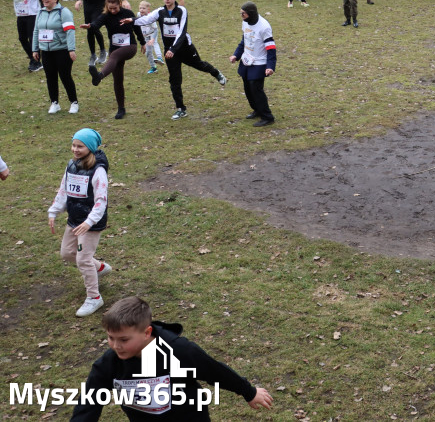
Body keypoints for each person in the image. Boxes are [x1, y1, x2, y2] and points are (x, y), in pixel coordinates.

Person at [70, 296, 273, 419]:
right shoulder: (109, 363)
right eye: (110, 338)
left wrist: (249, 391)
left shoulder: (178, 351)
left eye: (123, 339)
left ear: (147, 332)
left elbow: (214, 371)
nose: (115, 345)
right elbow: (90, 400)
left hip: (189, 418)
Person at [131, 0, 227, 120]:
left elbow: (182, 32)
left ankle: (216, 73)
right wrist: (131, 20)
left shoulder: (182, 10)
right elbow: (146, 19)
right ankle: (181, 108)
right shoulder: (160, 11)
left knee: (199, 65)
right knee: (174, 79)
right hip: (170, 52)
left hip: (184, 48)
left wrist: (173, 49)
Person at [47, 127, 112, 317]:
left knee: (83, 259)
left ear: (90, 148)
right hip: (74, 218)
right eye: (73, 145)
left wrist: (90, 222)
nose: (75, 149)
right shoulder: (72, 165)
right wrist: (54, 211)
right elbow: (63, 190)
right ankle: (98, 267)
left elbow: (101, 200)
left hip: (90, 223)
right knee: (67, 253)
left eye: (80, 146)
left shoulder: (98, 171)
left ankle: (94, 297)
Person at [82, 0, 143, 120]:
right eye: (110, 8)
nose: (113, 10)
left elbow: (137, 28)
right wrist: (90, 26)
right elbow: (96, 24)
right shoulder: (106, 16)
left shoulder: (127, 14)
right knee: (118, 79)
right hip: (115, 47)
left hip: (130, 47)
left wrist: (142, 42)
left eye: (115, 8)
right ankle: (121, 108)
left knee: (114, 56)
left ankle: (99, 76)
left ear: (120, 4)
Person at [228, 2, 277, 127]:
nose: (241, 16)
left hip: (259, 62)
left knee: (255, 88)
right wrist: (236, 55)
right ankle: (257, 109)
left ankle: (267, 116)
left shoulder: (264, 27)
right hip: (246, 59)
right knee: (247, 87)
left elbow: (271, 49)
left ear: (250, 14)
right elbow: (244, 40)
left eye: (243, 13)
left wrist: (270, 67)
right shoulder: (245, 22)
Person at [33, 0, 79, 114]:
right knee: (50, 77)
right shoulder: (40, 12)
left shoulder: (63, 12)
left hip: (62, 50)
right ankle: (54, 103)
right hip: (46, 51)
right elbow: (36, 31)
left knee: (65, 76)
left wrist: (71, 49)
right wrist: (35, 49)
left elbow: (70, 31)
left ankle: (74, 102)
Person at [1, 0, 44, 71]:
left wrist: (45, 12)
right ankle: (33, 58)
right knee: (22, 38)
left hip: (32, 15)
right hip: (20, 15)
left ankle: (36, 62)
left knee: (32, 38)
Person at [137, 0, 163, 73]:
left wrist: (152, 39)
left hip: (153, 33)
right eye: (140, 8)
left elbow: (155, 30)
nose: (141, 10)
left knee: (154, 43)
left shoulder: (151, 17)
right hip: (145, 35)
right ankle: (153, 67)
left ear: (148, 10)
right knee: (148, 52)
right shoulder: (138, 15)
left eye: (143, 8)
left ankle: (159, 57)